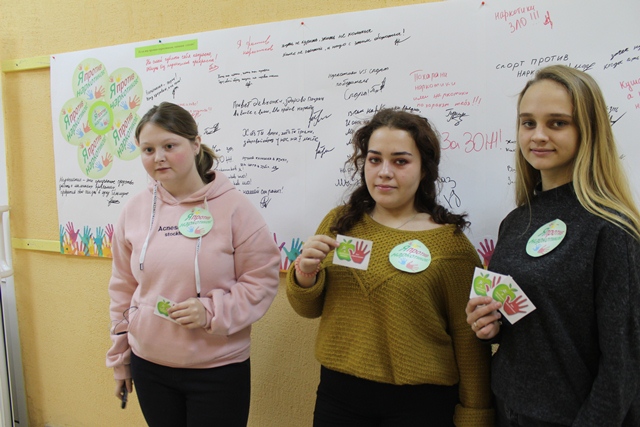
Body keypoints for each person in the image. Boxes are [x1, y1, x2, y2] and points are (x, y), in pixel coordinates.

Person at [287, 108, 494, 426]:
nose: (384, 172)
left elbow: (469, 341)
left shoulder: (451, 246)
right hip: (338, 397)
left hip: (419, 406)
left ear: (424, 169)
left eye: (400, 161)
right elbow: (308, 309)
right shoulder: (340, 223)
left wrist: (475, 414)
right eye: (374, 159)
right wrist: (305, 275)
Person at [466, 65, 640, 426]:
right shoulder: (516, 221)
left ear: (587, 130)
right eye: (528, 123)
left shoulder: (611, 229)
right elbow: (535, 326)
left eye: (557, 123)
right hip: (506, 409)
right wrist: (489, 327)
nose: (538, 135)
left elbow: (624, 364)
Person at [106, 101, 280, 426]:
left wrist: (211, 311)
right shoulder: (134, 210)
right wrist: (121, 360)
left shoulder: (235, 208)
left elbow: (262, 281)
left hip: (218, 369)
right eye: (148, 149)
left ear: (196, 144)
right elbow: (122, 289)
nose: (158, 157)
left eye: (169, 146)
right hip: (149, 365)